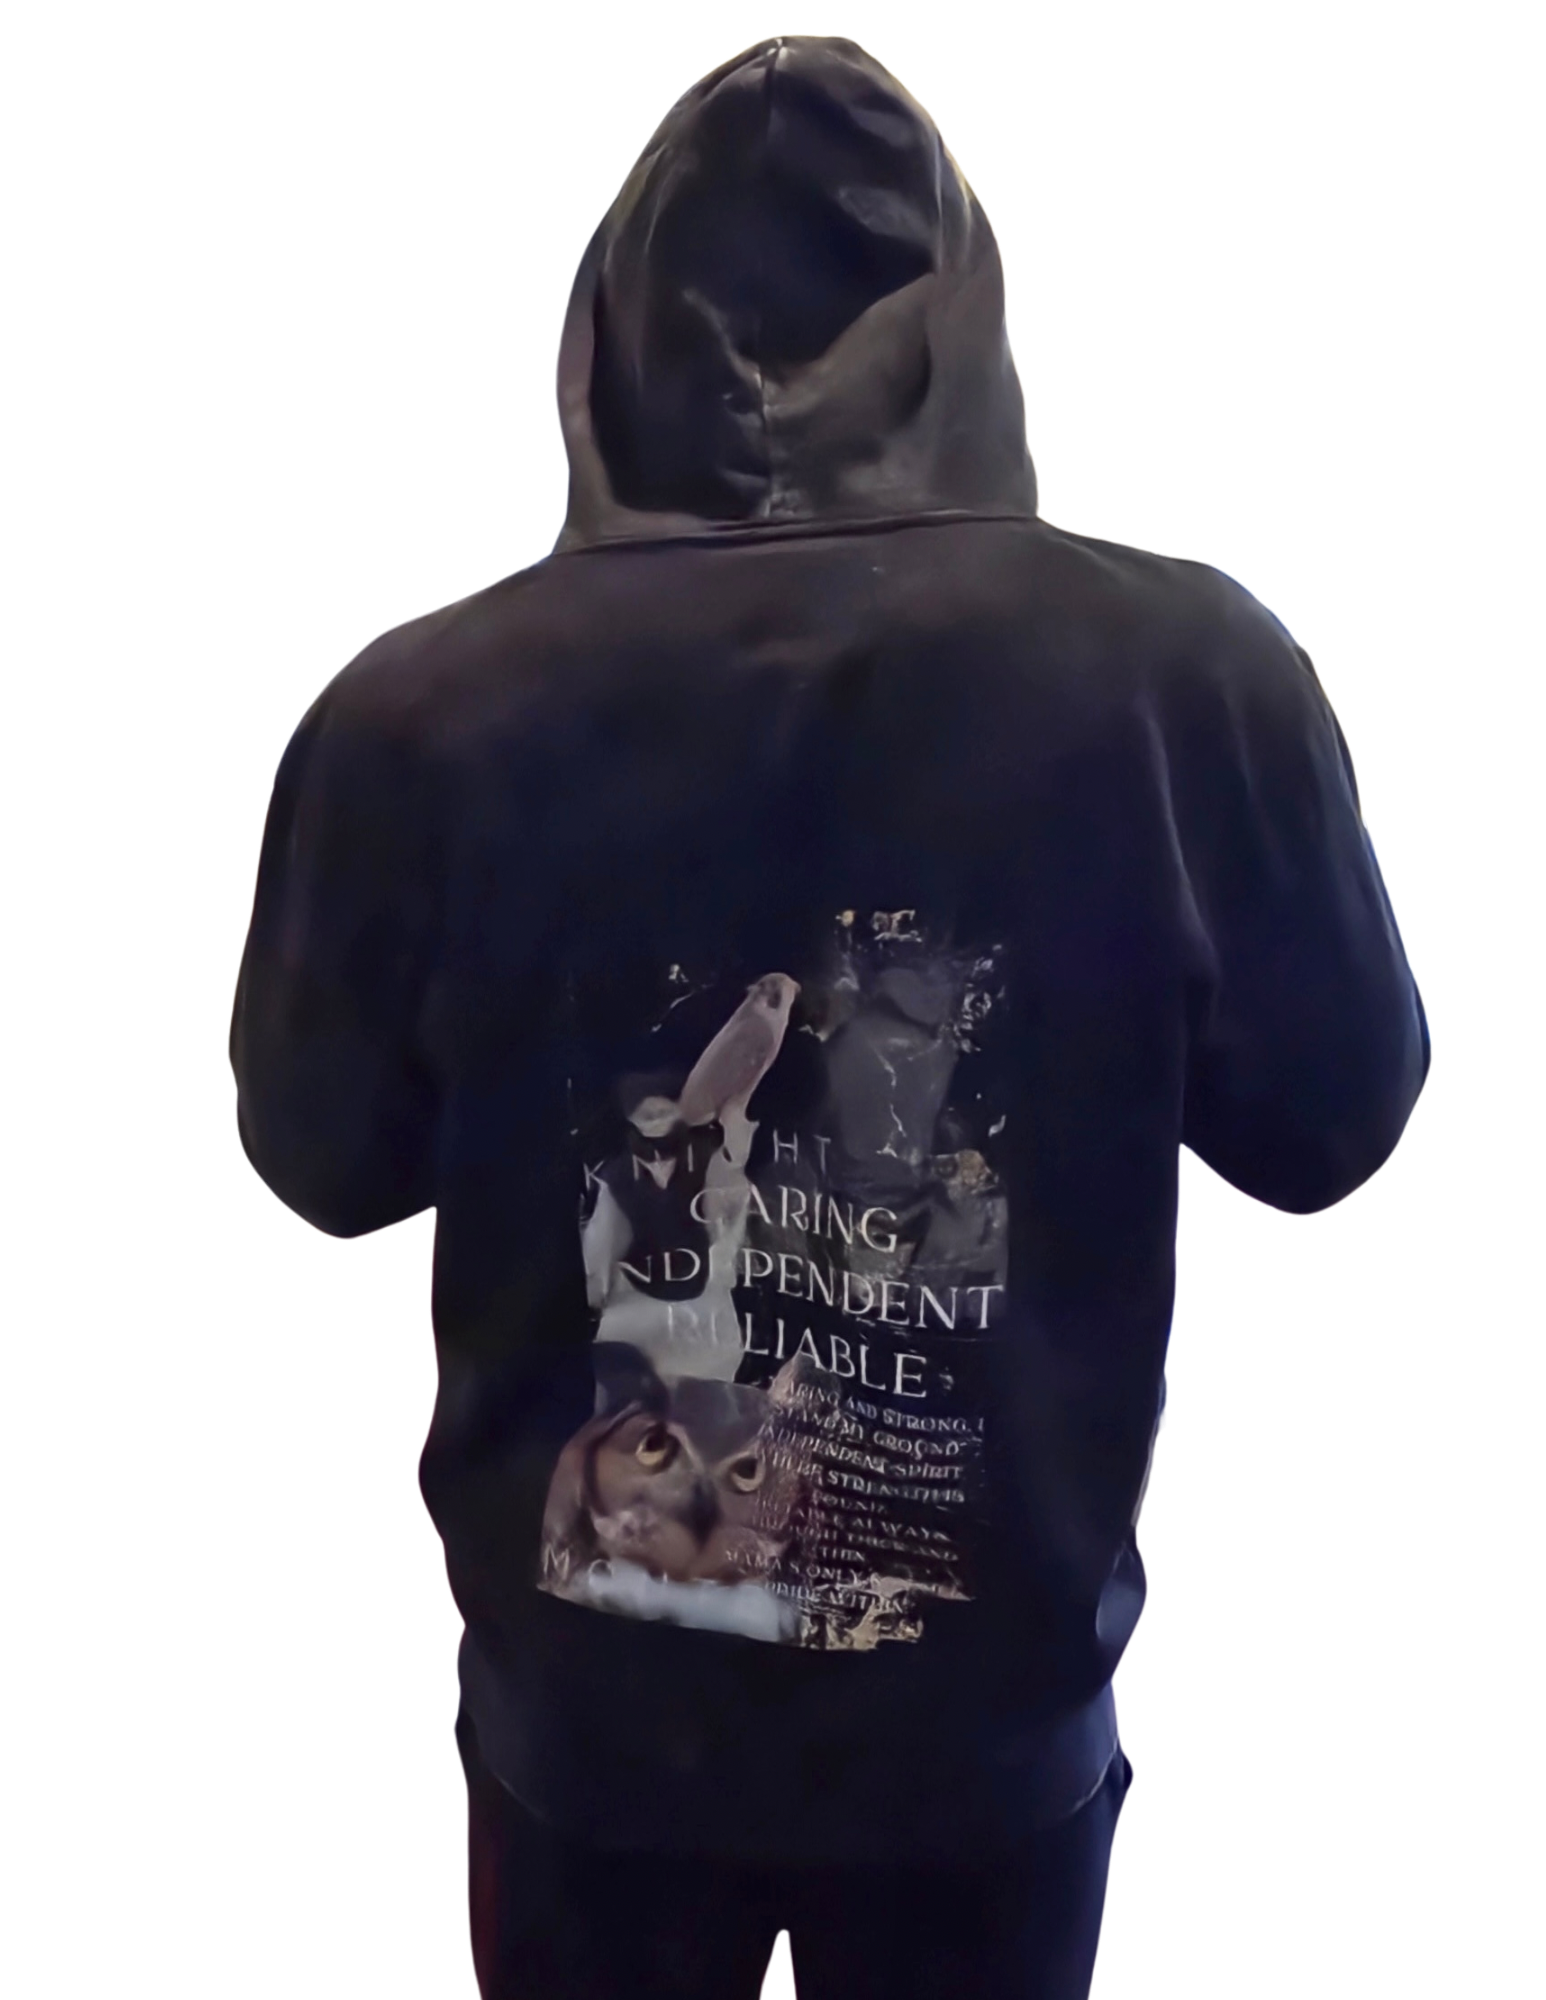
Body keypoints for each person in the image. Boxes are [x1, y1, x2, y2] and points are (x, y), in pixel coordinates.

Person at [228, 32, 1432, 1998]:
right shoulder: (1189, 678)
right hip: (989, 1733)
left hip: (585, 1729)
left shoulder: (409, 717)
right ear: (970, 336)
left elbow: (318, 1163)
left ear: (606, 340)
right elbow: (1332, 1127)